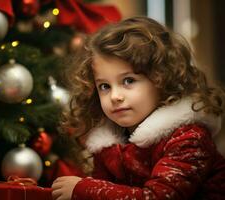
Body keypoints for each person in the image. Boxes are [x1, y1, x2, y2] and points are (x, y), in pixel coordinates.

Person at [51, 16, 225, 200]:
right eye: (104, 86)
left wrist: (85, 189)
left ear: (161, 79)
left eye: (128, 81)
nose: (115, 96)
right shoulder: (109, 144)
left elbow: (159, 197)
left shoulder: (189, 138)